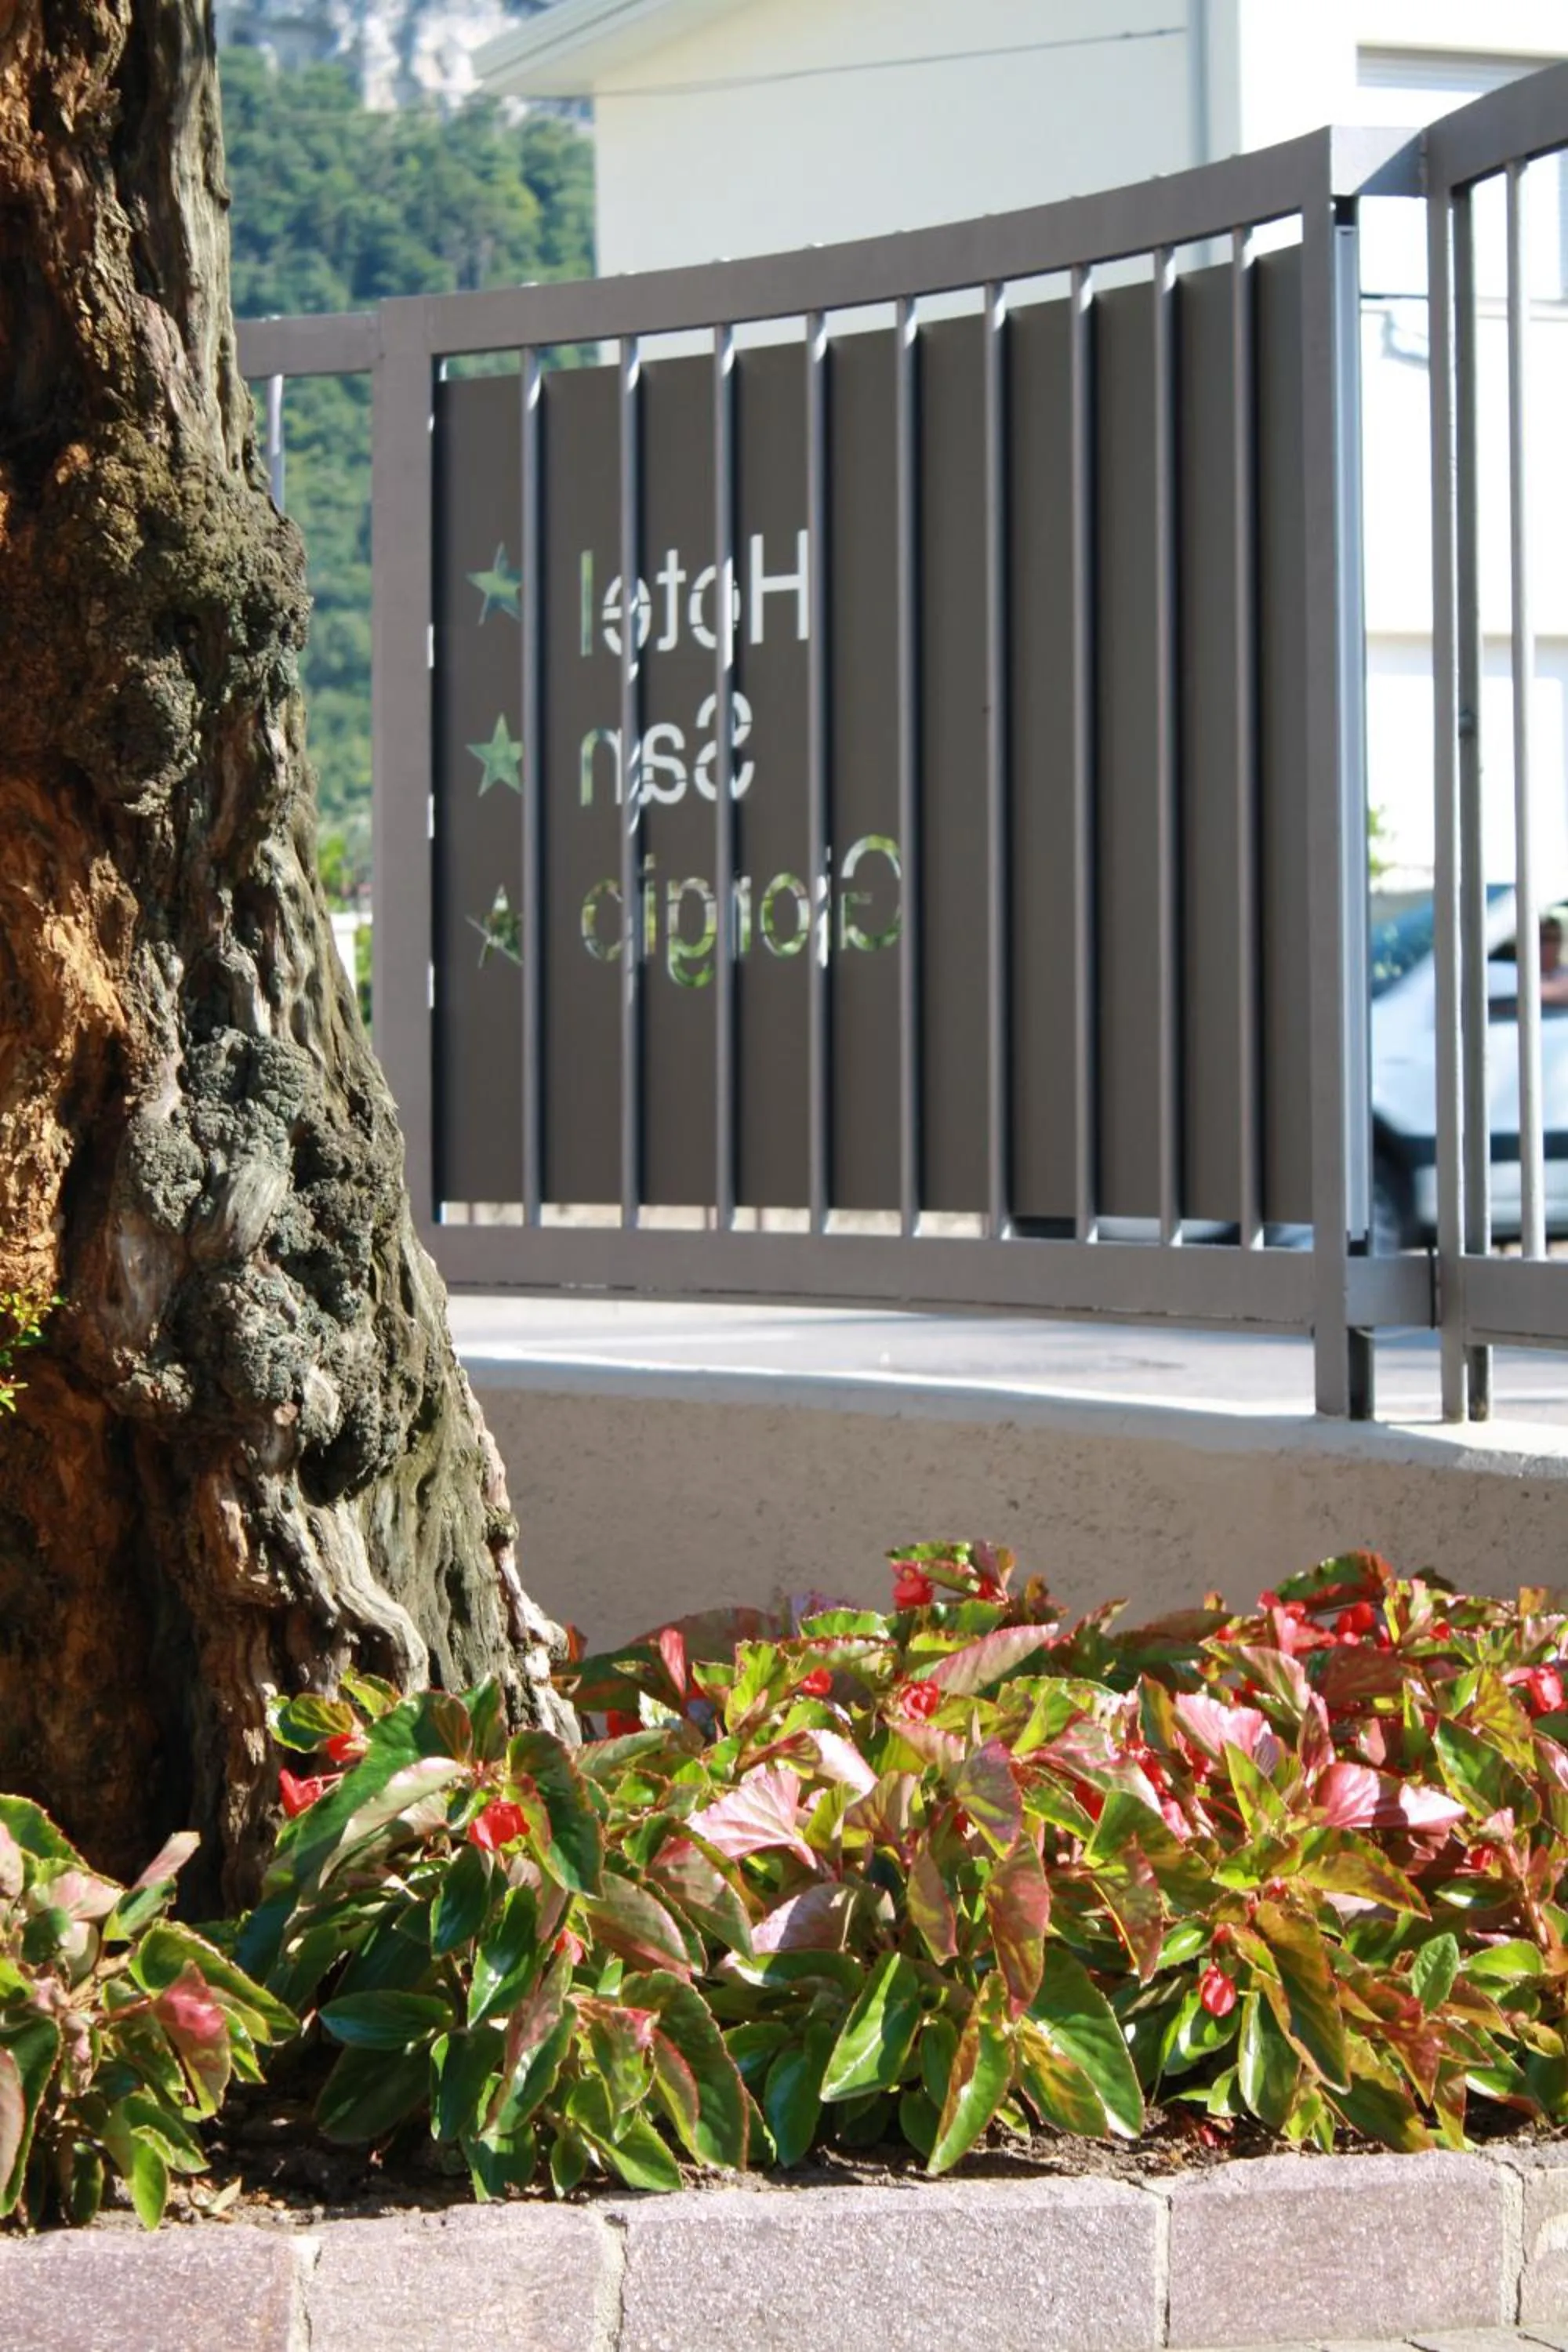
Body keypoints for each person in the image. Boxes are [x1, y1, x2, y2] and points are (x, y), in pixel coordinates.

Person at [1541, 913, 1568, 1007]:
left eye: (1555, 939)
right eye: (1546, 939)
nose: (1551, 945)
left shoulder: (1565, 972)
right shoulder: (1522, 974)